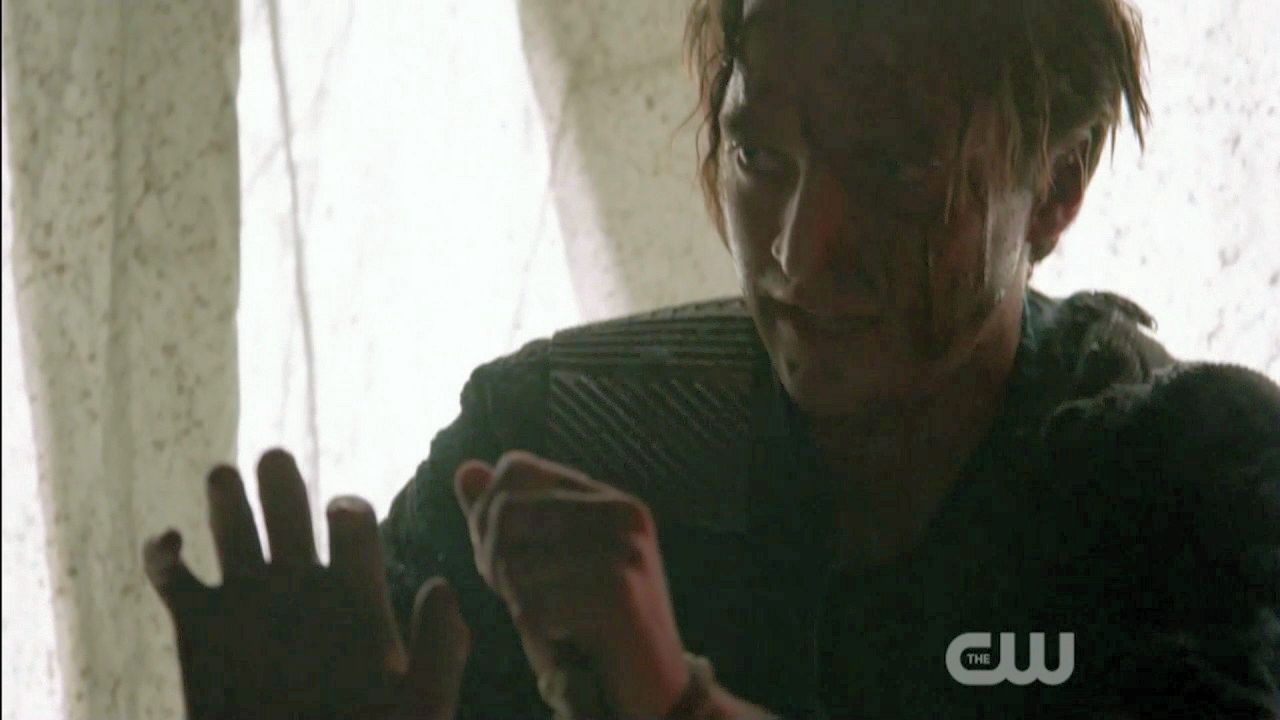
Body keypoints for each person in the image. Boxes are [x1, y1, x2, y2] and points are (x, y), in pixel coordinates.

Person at [145, 0, 1280, 718]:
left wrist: (673, 702)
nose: (798, 248)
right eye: (759, 156)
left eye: (892, 168)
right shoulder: (556, 438)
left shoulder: (1178, 488)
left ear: (1058, 185)